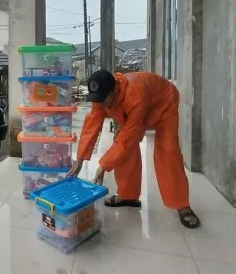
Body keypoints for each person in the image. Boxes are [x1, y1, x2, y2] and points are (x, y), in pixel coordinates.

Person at [67, 69, 201, 229]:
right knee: (124, 149)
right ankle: (128, 196)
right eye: (98, 100)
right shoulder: (101, 95)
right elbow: (92, 123)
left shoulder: (135, 93)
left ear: (115, 90)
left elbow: (129, 135)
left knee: (167, 150)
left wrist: (104, 166)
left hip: (164, 102)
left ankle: (182, 204)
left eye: (103, 100)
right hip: (139, 110)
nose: (101, 104)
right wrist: (80, 160)